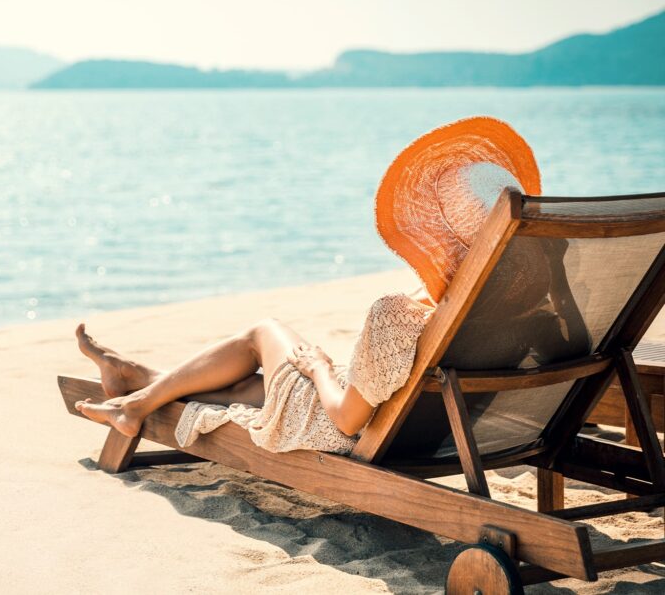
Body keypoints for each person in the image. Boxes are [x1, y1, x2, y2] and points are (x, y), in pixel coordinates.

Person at [73, 117, 543, 454]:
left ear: (435, 231)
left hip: (343, 424)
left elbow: (344, 419)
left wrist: (319, 367)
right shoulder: (523, 307)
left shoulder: (397, 316)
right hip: (438, 429)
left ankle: (133, 404)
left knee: (263, 332)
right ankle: (136, 379)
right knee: (246, 390)